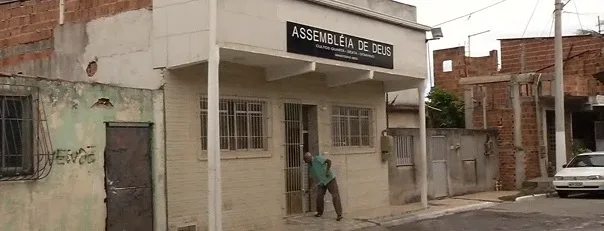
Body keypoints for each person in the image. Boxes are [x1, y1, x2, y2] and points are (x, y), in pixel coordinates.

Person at [303, 152, 343, 221]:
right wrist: (309, 188)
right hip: (322, 182)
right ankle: (319, 212)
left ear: (309, 158)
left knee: (335, 195)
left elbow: (329, 161)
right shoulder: (310, 166)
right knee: (319, 196)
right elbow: (312, 178)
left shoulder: (318, 158)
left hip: (329, 179)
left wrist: (327, 171)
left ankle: (339, 214)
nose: (305, 162)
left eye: (306, 160)